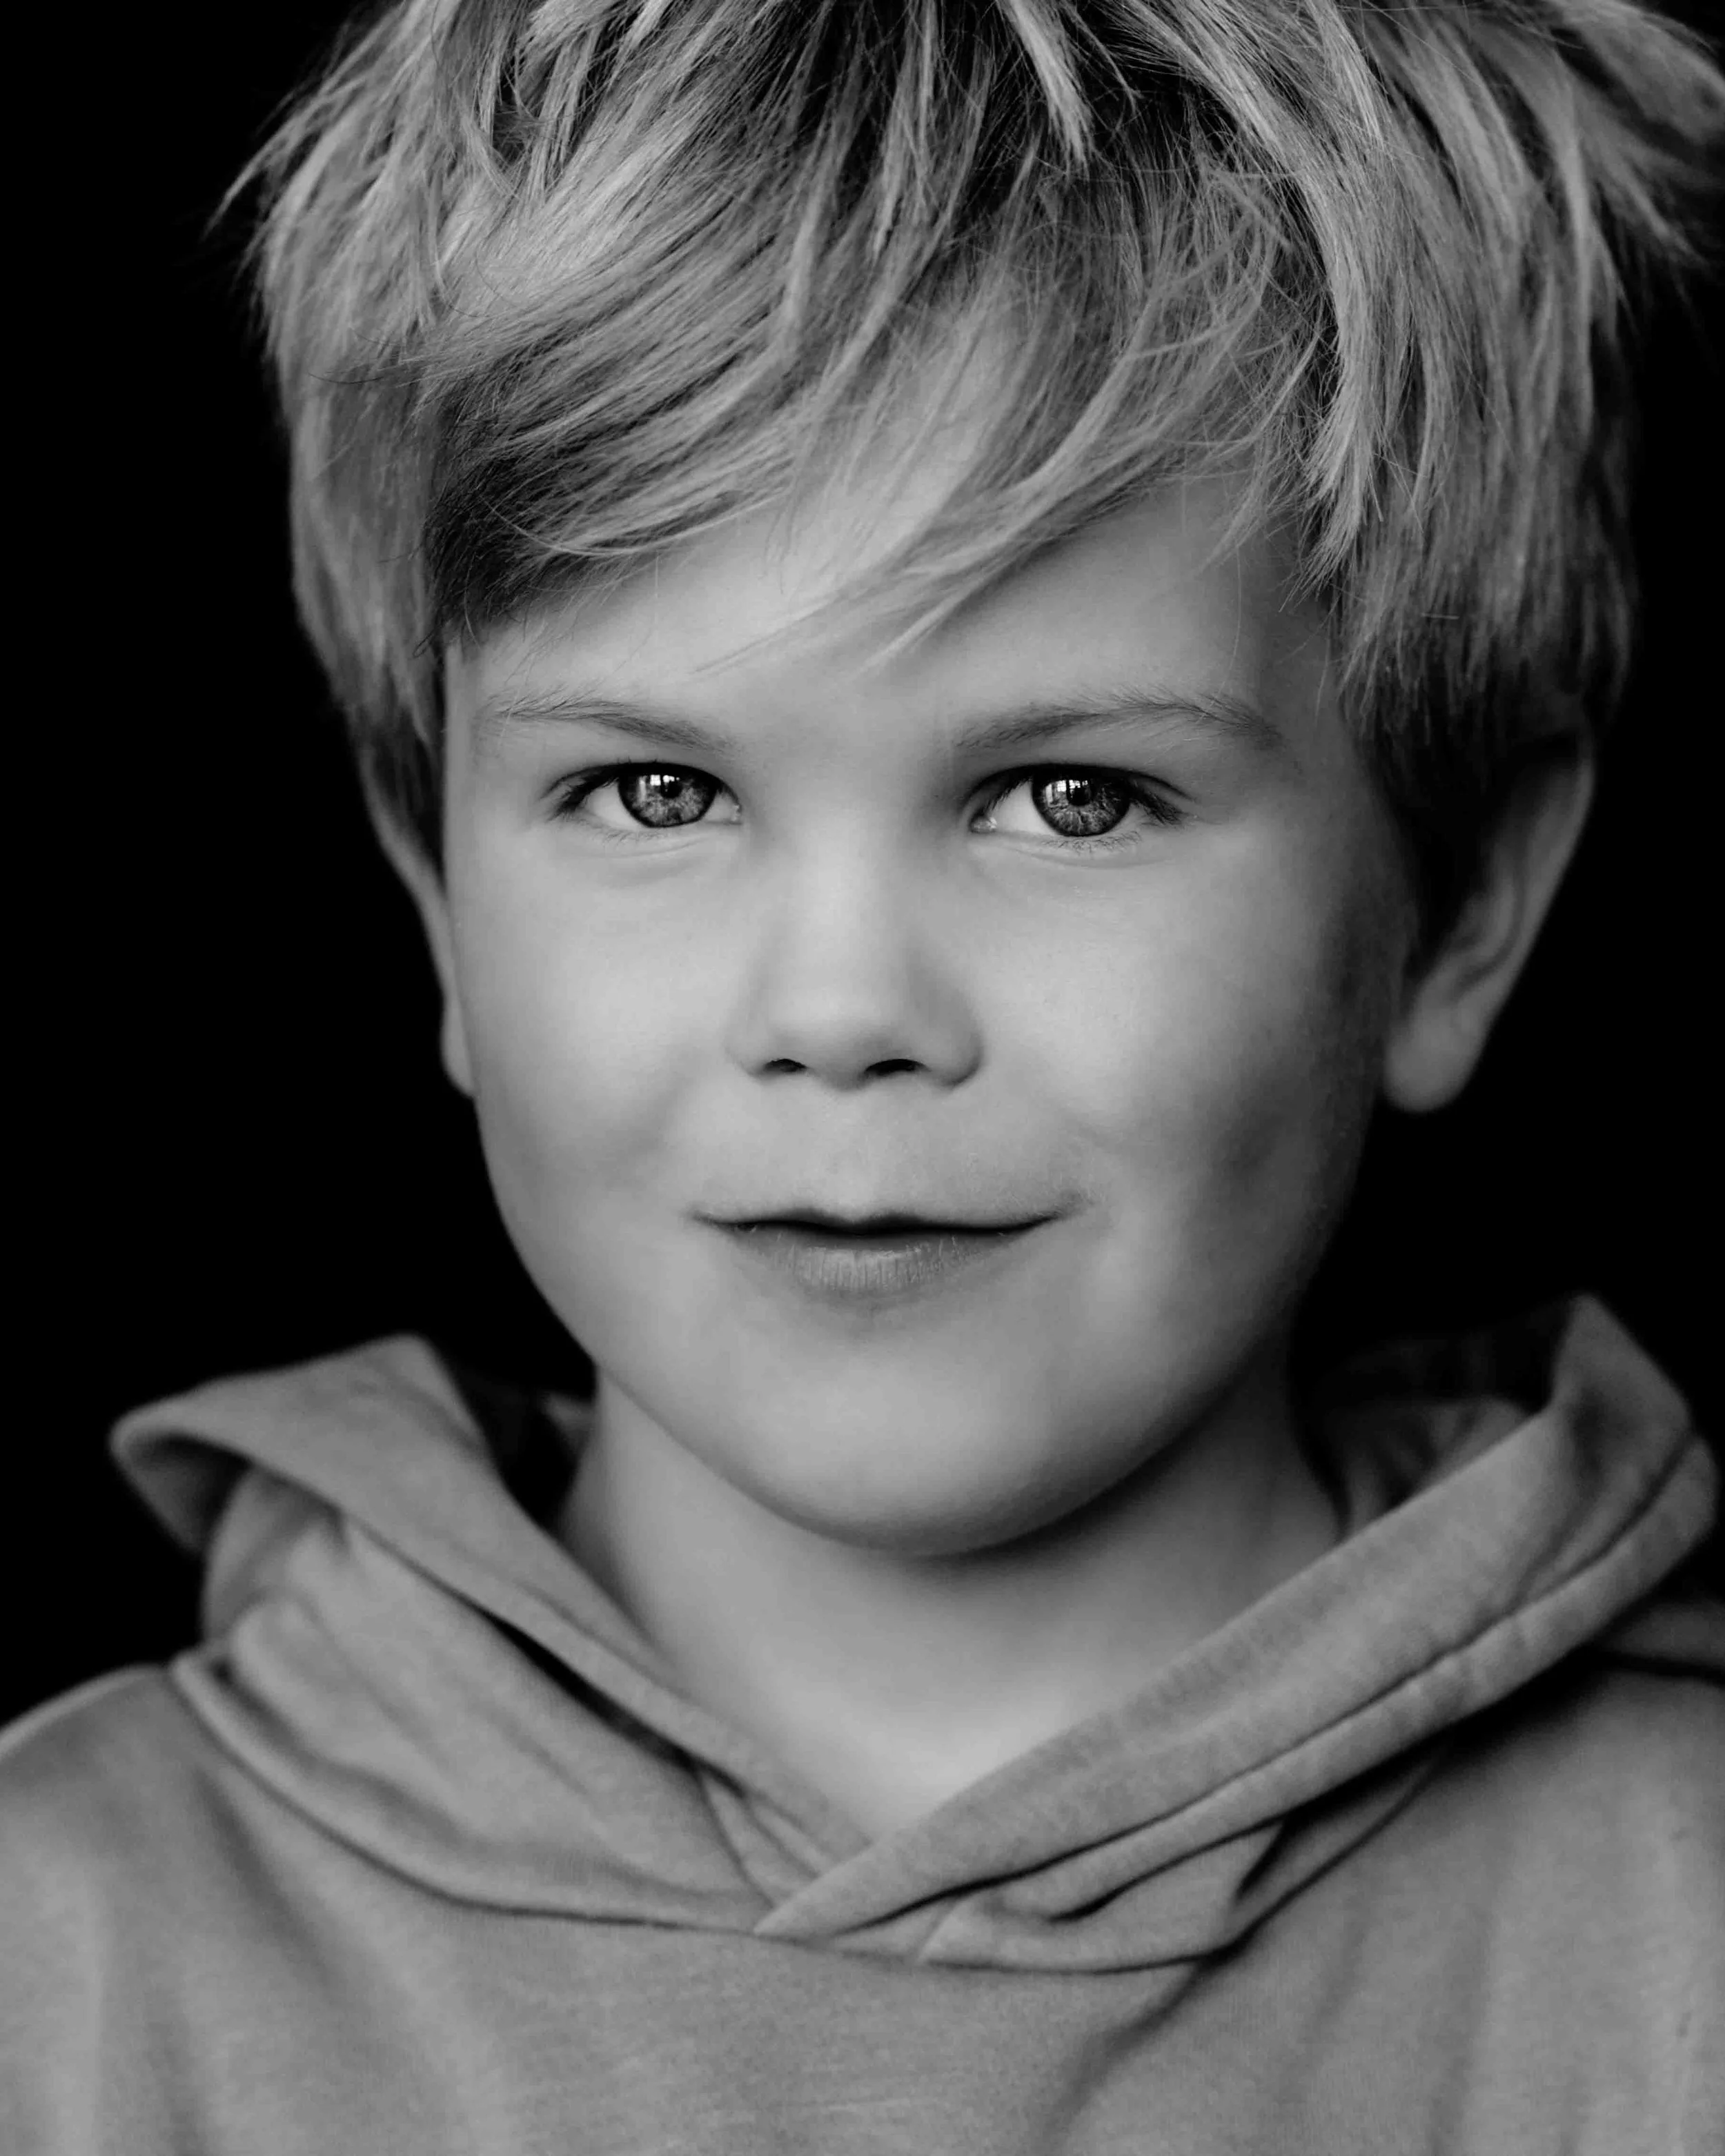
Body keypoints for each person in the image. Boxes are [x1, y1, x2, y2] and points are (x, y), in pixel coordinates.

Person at [4, 3, 1722, 2150]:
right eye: (649, 790)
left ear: (1461, 898)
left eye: (1069, 798)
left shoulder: (1681, 1942)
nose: (837, 1007)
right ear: (436, 904)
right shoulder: (59, 1948)